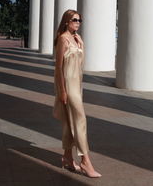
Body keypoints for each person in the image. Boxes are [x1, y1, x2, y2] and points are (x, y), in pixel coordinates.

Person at [53, 9, 101, 178]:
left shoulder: (76, 39)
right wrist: (62, 91)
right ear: (67, 21)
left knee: (69, 122)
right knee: (80, 121)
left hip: (77, 86)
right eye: (75, 20)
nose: (78, 23)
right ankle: (85, 161)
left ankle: (67, 157)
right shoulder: (63, 39)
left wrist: (82, 45)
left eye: (80, 20)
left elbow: (80, 65)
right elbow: (58, 68)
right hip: (68, 87)